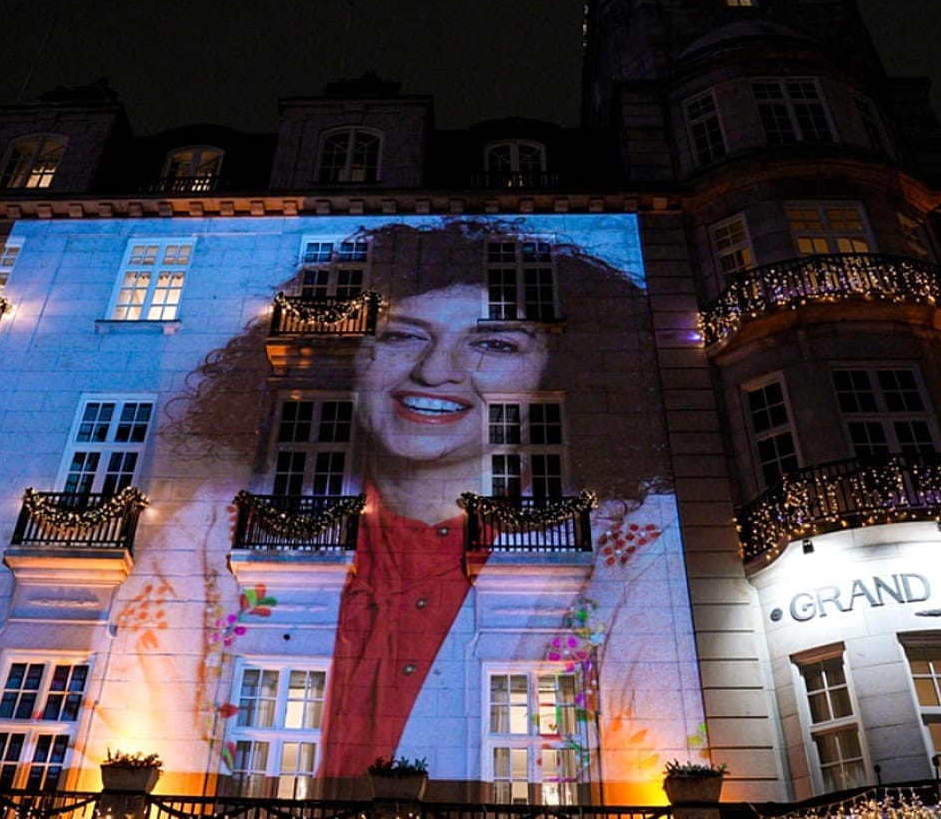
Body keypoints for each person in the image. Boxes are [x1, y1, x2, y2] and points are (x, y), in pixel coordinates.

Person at [143, 218, 688, 796]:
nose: (434, 371)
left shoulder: (636, 546)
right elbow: (148, 712)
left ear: (557, 372)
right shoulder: (208, 529)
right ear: (354, 356)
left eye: (494, 344)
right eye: (402, 336)